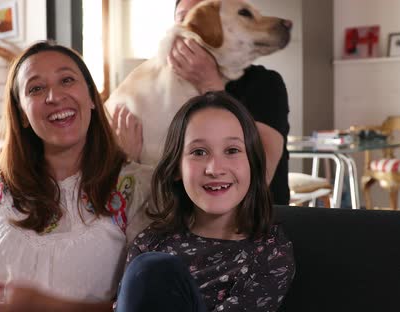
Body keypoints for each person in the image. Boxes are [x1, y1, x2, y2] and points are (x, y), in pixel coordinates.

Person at [0, 41, 152, 312]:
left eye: (67, 80)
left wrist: (37, 304)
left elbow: (141, 304)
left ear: (91, 97)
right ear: (22, 114)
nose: (54, 96)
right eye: (36, 88)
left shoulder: (135, 186)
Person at [115, 91, 295, 312]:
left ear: (252, 164)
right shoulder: (150, 241)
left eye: (232, 150)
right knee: (150, 267)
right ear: (176, 169)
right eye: (199, 152)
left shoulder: (269, 252)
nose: (215, 169)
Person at [171, 0, 291, 205]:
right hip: (189, 225)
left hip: (259, 219)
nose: (197, 27)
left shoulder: (265, 83)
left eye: (206, 15)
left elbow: (262, 172)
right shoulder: (161, 93)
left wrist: (210, 83)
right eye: (184, 18)